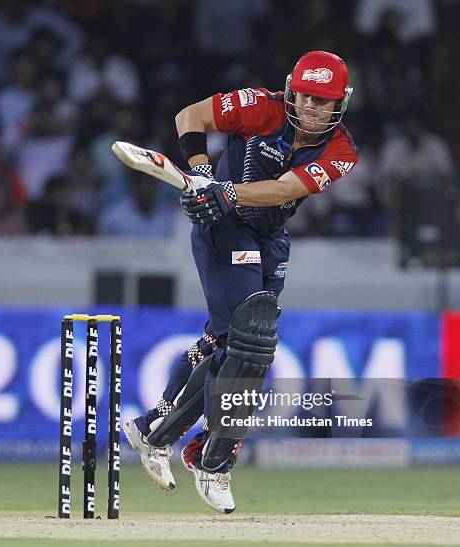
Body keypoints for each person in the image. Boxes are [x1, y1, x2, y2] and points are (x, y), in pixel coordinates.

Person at [124, 50, 358, 513]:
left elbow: (285, 189)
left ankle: (155, 430)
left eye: (324, 101)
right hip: (223, 230)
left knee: (229, 345)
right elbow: (190, 117)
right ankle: (213, 461)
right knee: (249, 343)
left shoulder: (342, 152)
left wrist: (224, 193)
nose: (312, 108)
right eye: (307, 97)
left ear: (340, 103)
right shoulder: (262, 106)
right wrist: (202, 173)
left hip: (269, 235)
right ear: (293, 90)